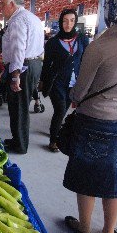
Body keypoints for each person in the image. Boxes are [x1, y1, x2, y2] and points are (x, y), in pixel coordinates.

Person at [63, 0, 117, 233]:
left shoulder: (100, 46)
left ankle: (85, 227)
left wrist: (73, 94)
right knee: (115, 176)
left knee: (87, 174)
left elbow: (80, 91)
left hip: (95, 120)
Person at [1, 0, 44, 154]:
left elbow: (19, 49)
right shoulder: (32, 17)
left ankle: (20, 144)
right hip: (33, 64)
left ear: (12, 4)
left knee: (18, 107)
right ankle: (17, 138)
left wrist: (15, 75)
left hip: (23, 66)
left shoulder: (18, 20)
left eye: (3, 5)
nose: (2, 9)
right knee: (21, 106)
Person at [40, 8, 89, 152]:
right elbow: (47, 64)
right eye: (65, 20)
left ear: (75, 22)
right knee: (60, 110)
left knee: (65, 110)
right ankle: (53, 140)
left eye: (72, 20)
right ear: (61, 22)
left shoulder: (82, 40)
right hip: (57, 83)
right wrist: (43, 82)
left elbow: (86, 60)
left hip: (75, 83)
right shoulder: (53, 43)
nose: (68, 24)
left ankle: (56, 130)